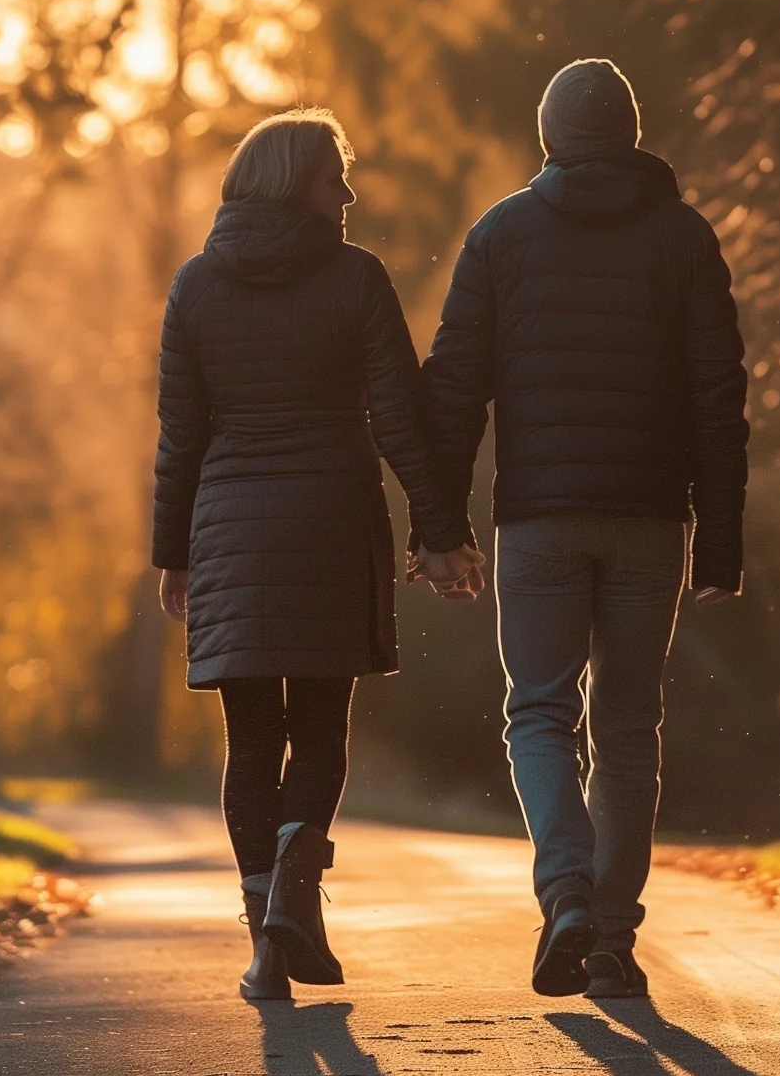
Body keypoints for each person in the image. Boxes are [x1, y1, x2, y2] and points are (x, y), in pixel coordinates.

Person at [416, 59, 748, 1001]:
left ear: (548, 136)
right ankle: (609, 938)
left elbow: (451, 390)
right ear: (632, 135)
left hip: (540, 522)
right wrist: (718, 540)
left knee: (539, 712)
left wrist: (437, 524)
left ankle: (565, 891)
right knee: (630, 726)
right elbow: (718, 398)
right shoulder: (685, 239)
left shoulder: (501, 235)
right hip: (652, 521)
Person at [153, 108, 479, 1003]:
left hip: (227, 523)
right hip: (332, 515)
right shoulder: (355, 279)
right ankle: (298, 894)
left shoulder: (194, 286)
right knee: (320, 729)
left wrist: (172, 552)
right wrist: (439, 528)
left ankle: (268, 934)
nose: (347, 193)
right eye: (335, 177)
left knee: (251, 737)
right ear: (300, 182)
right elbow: (399, 419)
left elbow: (180, 437)